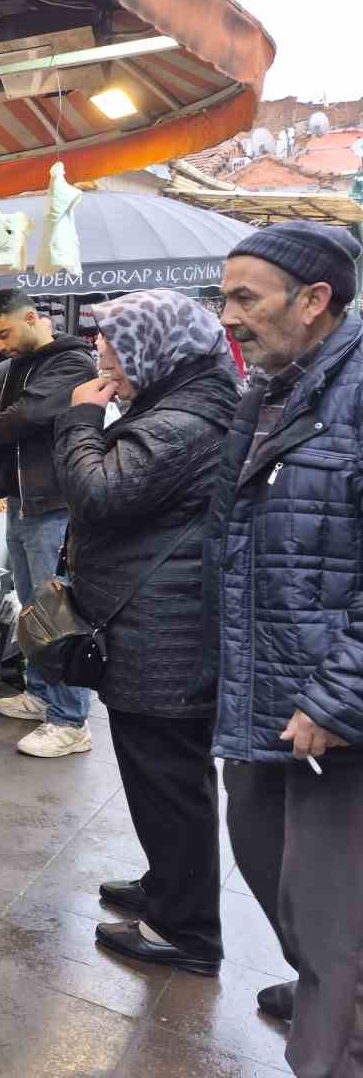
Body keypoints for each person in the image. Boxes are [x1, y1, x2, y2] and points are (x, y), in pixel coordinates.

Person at [204, 223, 363, 1077]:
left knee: (333, 921)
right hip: (263, 702)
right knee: (272, 877)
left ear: (314, 302)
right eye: (223, 296)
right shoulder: (268, 389)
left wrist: (339, 699)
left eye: (245, 298)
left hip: (329, 723)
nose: (227, 316)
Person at [51, 290, 240, 975]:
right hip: (162, 621)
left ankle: (185, 931)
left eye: (115, 351)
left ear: (160, 352)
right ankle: (169, 886)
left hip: (165, 632)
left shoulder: (179, 423)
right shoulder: (188, 406)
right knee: (167, 778)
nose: (105, 363)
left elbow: (99, 494)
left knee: (167, 779)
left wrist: (80, 421)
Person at [0, 289, 97, 757]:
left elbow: (29, 415)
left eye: (4, 333)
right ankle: (41, 695)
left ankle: (71, 719)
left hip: (55, 502)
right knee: (29, 604)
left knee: (56, 606)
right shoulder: (14, 366)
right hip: (21, 500)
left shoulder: (73, 361)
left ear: (32, 317)